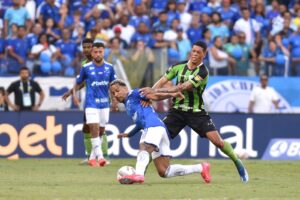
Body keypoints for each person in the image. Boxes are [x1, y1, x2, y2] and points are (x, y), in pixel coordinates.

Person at [140, 41, 249, 183]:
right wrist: (149, 96)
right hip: (177, 112)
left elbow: (184, 87)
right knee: (155, 137)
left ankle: (238, 163)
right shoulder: (178, 66)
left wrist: (154, 92)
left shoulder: (203, 72)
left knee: (218, 142)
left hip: (197, 113)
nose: (195, 54)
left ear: (204, 54)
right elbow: (161, 81)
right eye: (193, 51)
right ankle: (140, 170)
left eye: (198, 52)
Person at [110, 79, 211, 184]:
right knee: (164, 171)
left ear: (125, 88)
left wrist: (173, 94)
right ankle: (201, 168)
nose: (116, 94)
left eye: (117, 90)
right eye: (113, 93)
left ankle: (139, 175)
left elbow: (155, 95)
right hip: (158, 129)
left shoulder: (134, 94)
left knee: (145, 147)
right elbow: (140, 123)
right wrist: (129, 134)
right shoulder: (128, 104)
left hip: (153, 127)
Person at [62, 39, 111, 165]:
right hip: (90, 101)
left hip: (101, 101)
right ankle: (91, 156)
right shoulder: (84, 64)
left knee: (100, 128)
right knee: (86, 128)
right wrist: (70, 92)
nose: (86, 50)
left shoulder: (103, 64)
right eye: (84, 47)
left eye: (89, 47)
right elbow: (82, 82)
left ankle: (103, 155)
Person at [72, 42, 116, 167]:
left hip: (104, 104)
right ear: (92, 53)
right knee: (94, 129)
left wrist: (114, 101)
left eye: (100, 52)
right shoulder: (86, 68)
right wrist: (74, 95)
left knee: (101, 130)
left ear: (104, 52)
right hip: (91, 103)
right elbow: (78, 82)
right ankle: (100, 157)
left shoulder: (110, 67)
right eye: (95, 52)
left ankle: (92, 157)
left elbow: (113, 85)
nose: (97, 54)